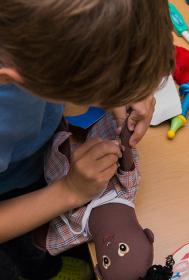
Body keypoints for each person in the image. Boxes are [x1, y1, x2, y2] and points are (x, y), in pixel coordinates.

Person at [0, 0, 174, 279]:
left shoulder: (36, 47)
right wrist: (68, 192)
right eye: (97, 97)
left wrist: (127, 81)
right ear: (14, 80)